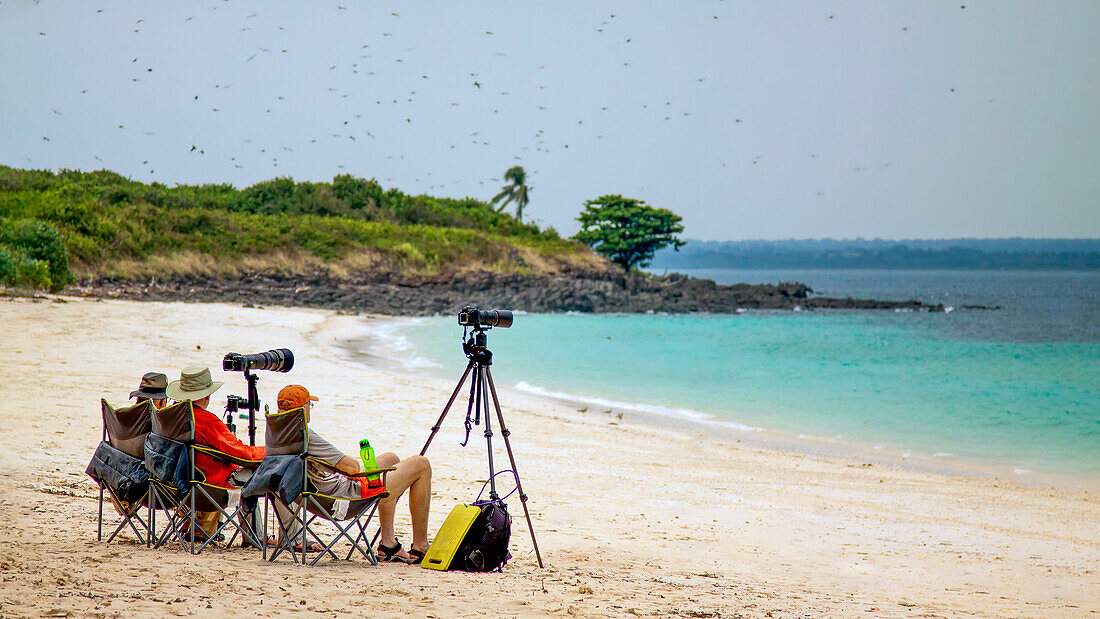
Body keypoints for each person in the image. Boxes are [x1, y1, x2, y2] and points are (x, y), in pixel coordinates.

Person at [274, 384, 433, 563]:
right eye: (309, 405)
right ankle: (420, 547)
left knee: (390, 458)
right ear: (302, 410)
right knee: (421, 464)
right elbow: (352, 469)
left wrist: (331, 466)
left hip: (315, 493)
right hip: (341, 497)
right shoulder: (305, 436)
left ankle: (388, 543)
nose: (310, 410)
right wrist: (339, 465)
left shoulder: (277, 435)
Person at [165, 365, 265, 543]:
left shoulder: (170, 417)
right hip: (208, 488)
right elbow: (242, 454)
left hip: (174, 484)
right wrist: (270, 452)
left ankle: (196, 527)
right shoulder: (206, 421)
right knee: (262, 474)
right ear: (206, 395)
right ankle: (254, 537)